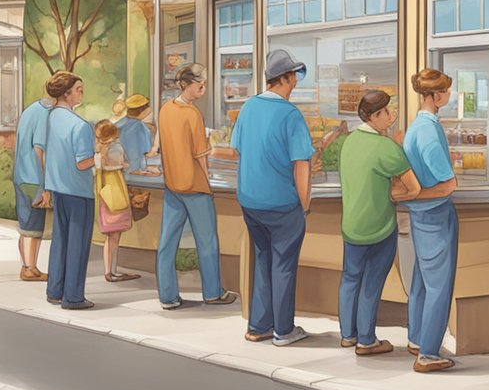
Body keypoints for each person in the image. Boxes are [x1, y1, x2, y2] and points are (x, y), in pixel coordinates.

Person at [230, 49, 316, 346]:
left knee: (263, 259)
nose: (295, 83)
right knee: (283, 265)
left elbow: (238, 150)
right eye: (293, 77)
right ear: (285, 78)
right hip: (281, 203)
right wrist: (303, 205)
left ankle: (258, 325)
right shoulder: (290, 115)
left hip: (250, 201)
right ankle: (283, 330)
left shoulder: (248, 107)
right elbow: (302, 165)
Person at [337, 90, 421, 358]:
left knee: (350, 278)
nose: (391, 115)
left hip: (352, 224)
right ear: (374, 116)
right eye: (386, 112)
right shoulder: (387, 148)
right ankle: (366, 340)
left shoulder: (349, 141)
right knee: (372, 282)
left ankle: (348, 335)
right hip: (379, 226)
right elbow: (414, 188)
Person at [154, 64, 236, 310]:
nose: (203, 87)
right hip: (195, 186)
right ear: (186, 84)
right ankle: (212, 292)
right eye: (200, 83)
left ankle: (167, 296)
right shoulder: (192, 114)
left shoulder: (165, 109)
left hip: (172, 185)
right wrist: (209, 177)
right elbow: (202, 154)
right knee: (207, 241)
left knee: (167, 242)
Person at [402, 69, 464, 372]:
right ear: (434, 95)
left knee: (422, 282)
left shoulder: (415, 126)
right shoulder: (429, 130)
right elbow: (446, 181)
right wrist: (448, 183)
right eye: (446, 91)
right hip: (436, 214)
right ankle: (428, 353)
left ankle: (416, 338)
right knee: (439, 285)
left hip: (420, 215)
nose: (449, 96)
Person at [40, 71, 97, 310]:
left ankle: (55, 290)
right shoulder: (80, 125)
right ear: (66, 93)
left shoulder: (51, 118)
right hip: (79, 190)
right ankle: (73, 296)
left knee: (60, 241)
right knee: (78, 244)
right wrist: (103, 157)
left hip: (58, 188)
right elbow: (83, 162)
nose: (82, 93)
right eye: (79, 90)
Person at [12, 92, 54, 282]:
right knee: (33, 225)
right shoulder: (44, 114)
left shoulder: (30, 110)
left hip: (21, 174)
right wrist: (44, 185)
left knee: (25, 223)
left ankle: (27, 266)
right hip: (34, 177)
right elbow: (40, 150)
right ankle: (30, 268)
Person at [93, 120, 140, 283]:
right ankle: (110, 271)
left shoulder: (97, 153)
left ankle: (109, 270)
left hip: (104, 197)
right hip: (116, 195)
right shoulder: (116, 148)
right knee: (115, 236)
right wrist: (124, 165)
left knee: (110, 236)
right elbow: (121, 163)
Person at [115, 94, 155, 174]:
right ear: (143, 110)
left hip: (120, 168)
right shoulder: (139, 126)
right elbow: (145, 151)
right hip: (134, 170)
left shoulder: (119, 123)